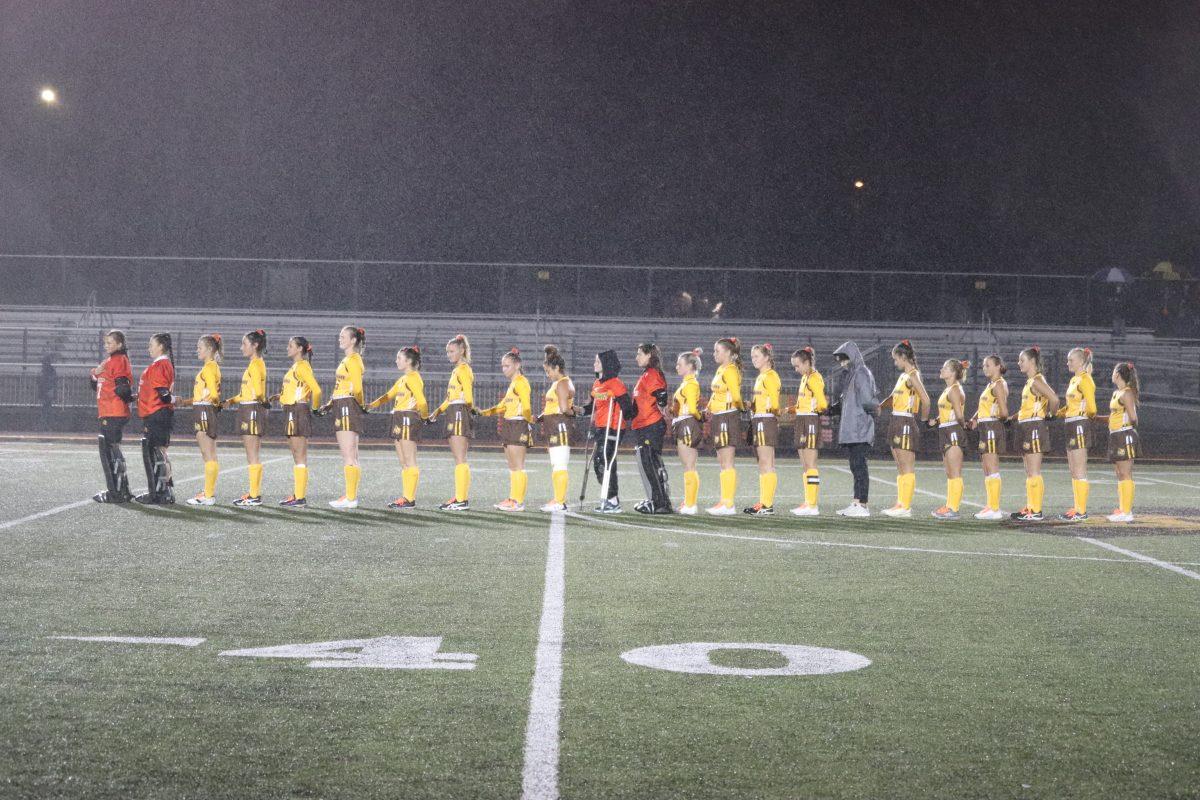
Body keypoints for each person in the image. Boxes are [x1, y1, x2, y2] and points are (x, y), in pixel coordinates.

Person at [367, 346, 427, 509]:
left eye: (399, 358)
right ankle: (406, 497)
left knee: (410, 460)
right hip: (399, 417)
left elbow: (422, 401)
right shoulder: (403, 379)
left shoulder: (413, 377)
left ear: (408, 361)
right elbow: (388, 395)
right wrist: (371, 405)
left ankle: (409, 499)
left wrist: (424, 417)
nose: (396, 361)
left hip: (408, 417)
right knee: (403, 461)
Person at [880, 340, 930, 518]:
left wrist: (924, 420)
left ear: (903, 357)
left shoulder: (913, 375)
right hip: (896, 420)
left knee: (907, 466)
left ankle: (905, 507)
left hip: (905, 421)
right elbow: (893, 398)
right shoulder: (903, 376)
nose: (895, 363)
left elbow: (926, 399)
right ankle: (900, 503)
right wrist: (881, 406)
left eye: (896, 359)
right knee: (900, 466)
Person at [580, 349, 634, 513]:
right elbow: (592, 407)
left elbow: (628, 409)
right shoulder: (597, 384)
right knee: (599, 463)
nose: (594, 364)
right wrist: (580, 410)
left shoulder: (616, 383)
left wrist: (618, 400)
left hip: (613, 427)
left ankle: (613, 501)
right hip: (600, 427)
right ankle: (611, 499)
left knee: (605, 461)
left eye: (597, 361)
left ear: (605, 364)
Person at [830, 341, 879, 517]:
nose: (842, 363)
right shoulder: (853, 374)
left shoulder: (861, 373)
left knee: (859, 467)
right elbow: (846, 401)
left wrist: (876, 406)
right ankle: (856, 502)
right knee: (855, 467)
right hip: (853, 428)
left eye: (844, 359)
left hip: (859, 427)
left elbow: (867, 400)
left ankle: (863, 505)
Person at [1010, 346, 1059, 521]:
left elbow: (1054, 399)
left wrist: (1050, 415)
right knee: (1029, 471)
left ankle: (1036, 510)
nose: (1019, 363)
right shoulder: (1030, 381)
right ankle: (1031, 507)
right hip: (1026, 426)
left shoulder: (1037, 380)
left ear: (1032, 362)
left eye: (1022, 360)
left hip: (1033, 427)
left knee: (1034, 471)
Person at [481, 348, 533, 512]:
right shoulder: (513, 384)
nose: (504, 369)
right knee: (512, 466)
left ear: (517, 365)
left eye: (507, 366)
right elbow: (503, 406)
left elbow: (526, 406)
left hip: (518, 424)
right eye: (503, 366)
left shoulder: (521, 382)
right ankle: (512, 498)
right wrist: (484, 412)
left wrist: (527, 421)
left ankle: (518, 501)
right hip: (510, 425)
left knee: (518, 465)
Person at [320, 326, 366, 509]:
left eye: (343, 336)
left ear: (353, 340)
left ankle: (351, 497)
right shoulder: (348, 359)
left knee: (349, 454)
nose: (340, 339)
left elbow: (357, 388)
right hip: (343, 404)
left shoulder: (354, 359)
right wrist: (331, 403)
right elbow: (343, 385)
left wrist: (360, 405)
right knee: (351, 454)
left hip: (347, 405)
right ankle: (350, 495)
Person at [273, 336, 321, 508]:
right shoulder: (296, 366)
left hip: (297, 410)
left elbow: (316, 390)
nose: (288, 348)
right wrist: (281, 396)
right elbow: (297, 388)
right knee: (296, 454)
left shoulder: (302, 366)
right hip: (292, 410)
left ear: (300, 349)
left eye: (291, 345)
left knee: (300, 455)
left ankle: (300, 497)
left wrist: (315, 409)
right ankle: (298, 495)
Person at [222, 329, 268, 507]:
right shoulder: (254, 364)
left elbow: (257, 392)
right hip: (249, 408)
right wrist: (231, 400)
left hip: (251, 409)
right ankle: (254, 493)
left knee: (252, 454)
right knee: (252, 454)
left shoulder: (256, 364)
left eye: (244, 344)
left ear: (255, 345)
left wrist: (262, 401)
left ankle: (254, 495)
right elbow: (249, 392)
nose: (242, 348)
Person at [429, 334, 474, 511]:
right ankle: (460, 497)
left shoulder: (463, 369)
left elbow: (468, 397)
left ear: (462, 350)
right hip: (454, 411)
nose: (449, 354)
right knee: (458, 458)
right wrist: (438, 411)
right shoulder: (457, 370)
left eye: (452, 351)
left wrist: (467, 411)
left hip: (458, 412)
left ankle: (461, 500)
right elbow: (451, 397)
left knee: (460, 458)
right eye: (447, 351)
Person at [90, 329, 134, 503]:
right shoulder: (109, 361)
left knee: (108, 451)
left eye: (110, 343)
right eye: (105, 343)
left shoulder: (119, 360)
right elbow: (95, 384)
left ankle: (115, 492)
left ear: (120, 344)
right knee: (112, 450)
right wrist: (95, 373)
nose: (106, 345)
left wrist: (128, 398)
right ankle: (121, 489)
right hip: (110, 411)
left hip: (113, 412)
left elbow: (122, 387)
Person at [179, 334, 223, 506]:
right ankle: (208, 493)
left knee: (208, 454)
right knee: (208, 454)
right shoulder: (211, 367)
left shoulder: (209, 368)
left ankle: (208, 495)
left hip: (204, 410)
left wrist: (213, 404)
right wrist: (186, 402)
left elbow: (212, 394)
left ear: (210, 349)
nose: (197, 350)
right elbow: (206, 394)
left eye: (200, 348)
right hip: (204, 409)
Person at [964, 354, 1009, 520]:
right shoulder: (991, 384)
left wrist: (994, 419)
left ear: (998, 366)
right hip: (985, 426)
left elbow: (1004, 411)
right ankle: (990, 505)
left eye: (988, 365)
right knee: (986, 468)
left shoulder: (998, 384)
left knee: (992, 467)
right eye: (984, 366)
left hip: (991, 426)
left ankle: (995, 508)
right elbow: (985, 404)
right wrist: (975, 418)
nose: (985, 368)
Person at [1056, 347, 1097, 521]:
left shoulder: (1085, 379)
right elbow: (1074, 403)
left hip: (1079, 424)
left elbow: (1092, 408)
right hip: (1071, 423)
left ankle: (1081, 511)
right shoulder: (1075, 380)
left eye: (1071, 360)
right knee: (1073, 469)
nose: (1068, 363)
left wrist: (1082, 415)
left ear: (1081, 361)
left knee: (1079, 469)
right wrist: (1063, 411)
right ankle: (1077, 508)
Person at [135, 333, 176, 504]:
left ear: (160, 347)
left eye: (151, 344)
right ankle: (165, 491)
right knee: (160, 452)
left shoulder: (160, 365)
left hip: (156, 414)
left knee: (155, 453)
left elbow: (164, 395)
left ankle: (158, 493)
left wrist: (174, 399)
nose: (149, 348)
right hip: (158, 413)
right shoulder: (163, 364)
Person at [631, 342, 672, 514]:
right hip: (645, 425)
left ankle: (659, 502)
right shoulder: (647, 374)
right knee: (650, 464)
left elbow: (661, 394)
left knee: (651, 465)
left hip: (651, 425)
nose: (637, 357)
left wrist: (662, 407)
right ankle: (658, 500)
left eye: (640, 354)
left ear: (649, 356)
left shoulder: (652, 374)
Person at [705, 337, 744, 515]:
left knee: (727, 462)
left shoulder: (730, 370)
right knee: (722, 461)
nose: (714, 354)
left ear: (728, 353)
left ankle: (729, 504)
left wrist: (741, 409)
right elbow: (716, 395)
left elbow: (736, 396)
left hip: (728, 417)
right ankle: (723, 501)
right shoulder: (721, 369)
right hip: (719, 416)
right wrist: (708, 408)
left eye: (717, 351)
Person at [788, 346, 827, 516]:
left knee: (810, 465)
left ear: (807, 362)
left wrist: (812, 410)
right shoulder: (806, 377)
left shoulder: (814, 378)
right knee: (805, 465)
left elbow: (823, 404)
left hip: (810, 420)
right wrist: (793, 409)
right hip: (802, 419)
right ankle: (807, 502)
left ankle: (812, 505)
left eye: (797, 366)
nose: (796, 370)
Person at [744, 343, 782, 515]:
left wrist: (769, 412)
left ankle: (767, 505)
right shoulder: (761, 377)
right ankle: (763, 503)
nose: (754, 360)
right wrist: (751, 405)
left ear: (767, 357)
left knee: (767, 463)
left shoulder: (770, 376)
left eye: (757, 356)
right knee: (762, 464)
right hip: (760, 419)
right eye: (752, 357)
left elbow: (774, 403)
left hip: (765, 420)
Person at [929, 359, 969, 520]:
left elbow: (959, 414)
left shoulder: (954, 390)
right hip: (945, 429)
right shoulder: (949, 390)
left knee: (955, 472)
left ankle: (953, 508)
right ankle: (949, 505)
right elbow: (949, 410)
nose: (941, 369)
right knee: (949, 472)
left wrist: (963, 425)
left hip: (953, 430)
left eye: (945, 368)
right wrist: (937, 420)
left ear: (952, 372)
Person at [538, 345, 575, 512]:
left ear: (557, 368)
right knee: (556, 464)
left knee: (560, 464)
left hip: (559, 425)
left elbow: (564, 408)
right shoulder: (559, 383)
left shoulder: (562, 383)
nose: (548, 375)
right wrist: (542, 416)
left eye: (549, 371)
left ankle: (560, 502)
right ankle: (557, 499)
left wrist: (576, 411)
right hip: (554, 425)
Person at [1102, 362, 1140, 522]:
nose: (1111, 374)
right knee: (1119, 473)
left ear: (1117, 374)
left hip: (1124, 435)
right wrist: (1097, 418)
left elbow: (1133, 418)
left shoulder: (1127, 393)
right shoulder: (1117, 393)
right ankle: (1122, 509)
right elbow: (1114, 416)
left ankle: (1127, 512)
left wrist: (1125, 428)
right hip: (1116, 435)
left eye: (1113, 372)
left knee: (1125, 473)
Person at [671, 349, 704, 514]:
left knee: (690, 466)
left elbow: (691, 408)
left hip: (687, 423)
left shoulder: (691, 383)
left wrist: (699, 417)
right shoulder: (686, 382)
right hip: (683, 422)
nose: (677, 366)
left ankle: (691, 504)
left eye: (680, 364)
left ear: (690, 366)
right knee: (687, 466)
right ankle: (688, 502)